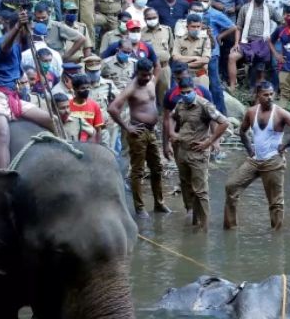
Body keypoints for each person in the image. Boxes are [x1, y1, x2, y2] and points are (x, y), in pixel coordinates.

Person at [0, 10, 56, 169]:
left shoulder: (19, 48)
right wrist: (18, 27)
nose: (30, 32)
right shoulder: (2, 42)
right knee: (3, 134)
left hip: (11, 97)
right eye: (28, 29)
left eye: (30, 28)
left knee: (52, 120)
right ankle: (3, 176)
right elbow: (5, 47)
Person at [223, 81, 290, 230]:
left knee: (275, 202)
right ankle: (231, 228)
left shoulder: (280, 112)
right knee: (231, 186)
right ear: (258, 96)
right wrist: (249, 149)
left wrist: (285, 145)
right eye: (265, 95)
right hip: (255, 160)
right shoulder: (251, 111)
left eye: (271, 94)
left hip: (273, 160)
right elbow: (242, 131)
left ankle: (276, 237)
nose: (269, 97)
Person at [163, 76, 229, 227]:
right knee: (186, 185)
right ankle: (191, 215)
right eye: (183, 93)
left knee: (200, 191)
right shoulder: (180, 104)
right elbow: (171, 118)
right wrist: (172, 133)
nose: (185, 95)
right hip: (182, 151)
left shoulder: (204, 104)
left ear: (194, 90)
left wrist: (209, 141)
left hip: (198, 153)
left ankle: (204, 226)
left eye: (188, 92)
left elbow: (224, 122)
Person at [108, 58, 169, 219]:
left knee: (157, 168)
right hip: (138, 132)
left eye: (149, 74)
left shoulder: (152, 80)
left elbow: (158, 65)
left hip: (151, 131)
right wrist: (127, 127)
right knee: (138, 171)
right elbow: (112, 108)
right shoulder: (131, 87)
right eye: (143, 75)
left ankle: (159, 203)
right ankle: (140, 208)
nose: (147, 78)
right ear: (137, 72)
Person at [229, 0, 283, 90]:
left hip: (263, 43)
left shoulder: (269, 9)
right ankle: (232, 87)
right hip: (246, 42)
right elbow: (238, 27)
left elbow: (281, 22)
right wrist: (236, 43)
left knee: (259, 71)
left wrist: (275, 36)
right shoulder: (245, 8)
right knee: (232, 57)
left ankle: (257, 92)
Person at [193, 0, 235, 114]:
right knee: (198, 82)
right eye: (200, 0)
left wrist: (220, 36)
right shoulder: (194, 13)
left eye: (205, 1)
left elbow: (232, 27)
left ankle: (222, 113)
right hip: (196, 54)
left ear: (211, 1)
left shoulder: (216, 14)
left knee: (215, 84)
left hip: (212, 53)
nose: (202, 3)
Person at [84, 55, 118, 150]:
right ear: (86, 70)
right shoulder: (82, 86)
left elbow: (119, 103)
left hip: (106, 128)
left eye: (97, 71)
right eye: (92, 71)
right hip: (88, 128)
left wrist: (113, 118)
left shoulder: (108, 85)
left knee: (109, 152)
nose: (95, 73)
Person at [171, 13, 212, 87]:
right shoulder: (179, 39)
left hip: (199, 74)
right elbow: (176, 58)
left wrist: (185, 64)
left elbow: (205, 60)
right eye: (193, 26)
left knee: (203, 95)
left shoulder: (205, 39)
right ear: (187, 27)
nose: (196, 29)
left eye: (198, 27)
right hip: (182, 75)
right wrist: (195, 58)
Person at [68, 73, 105, 143]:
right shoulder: (67, 105)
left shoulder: (94, 105)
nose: (86, 90)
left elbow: (98, 130)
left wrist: (98, 146)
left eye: (88, 88)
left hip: (89, 143)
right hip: (72, 142)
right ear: (75, 89)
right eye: (83, 88)